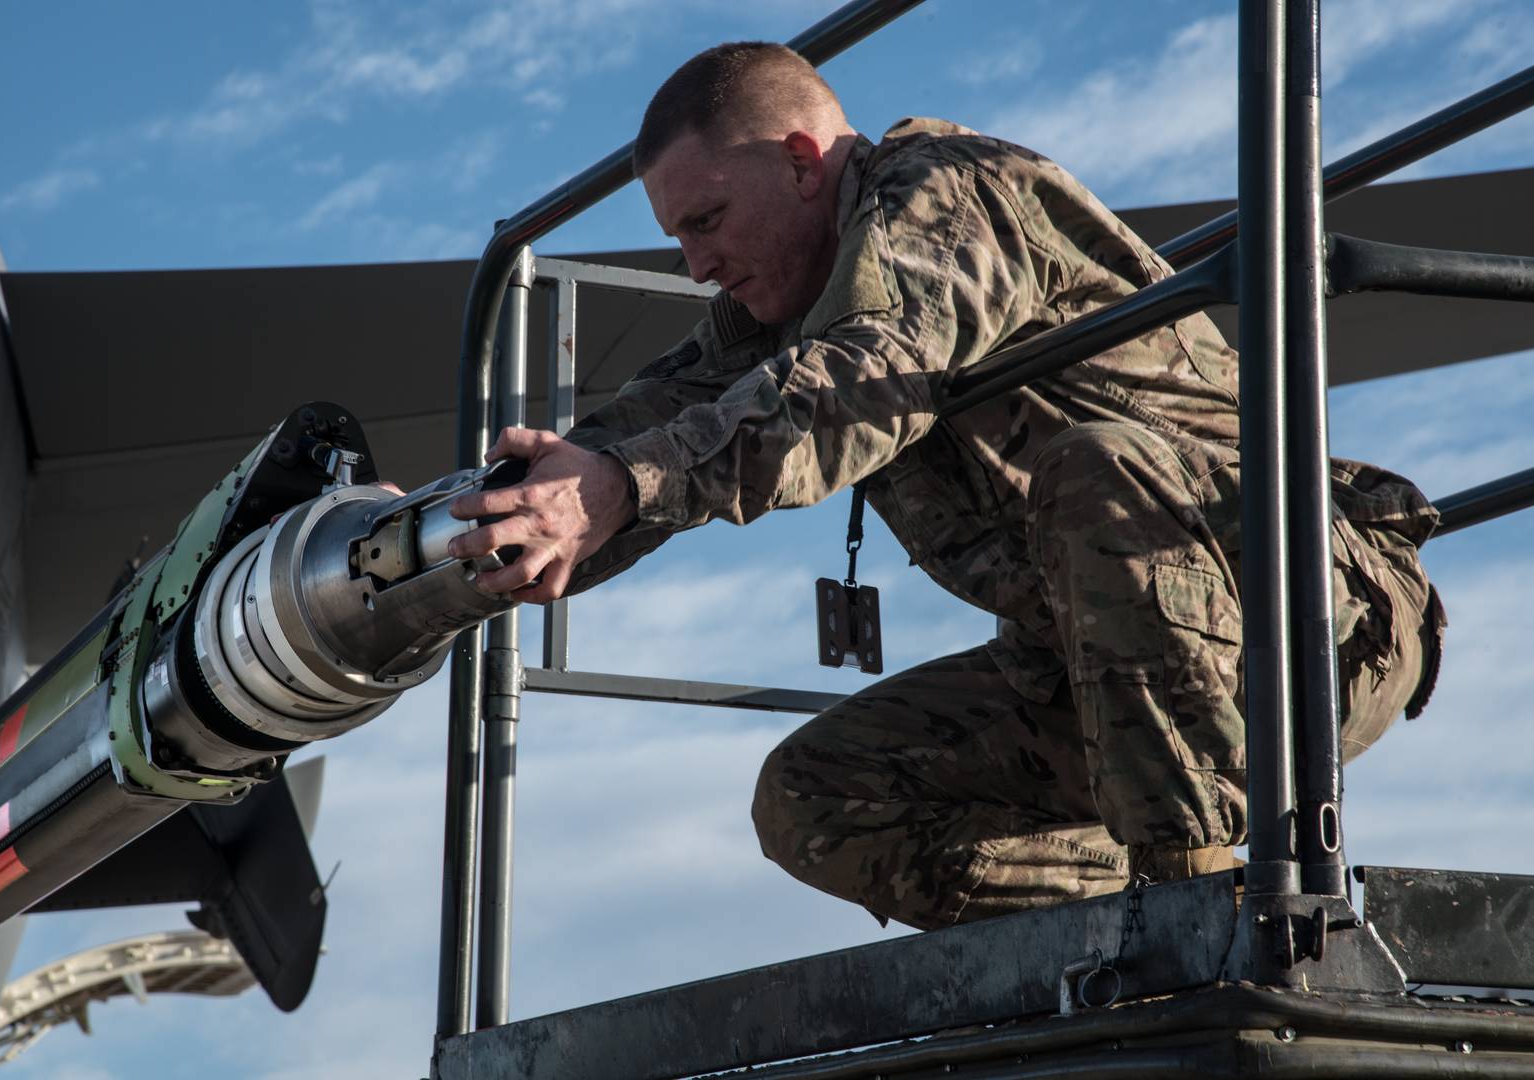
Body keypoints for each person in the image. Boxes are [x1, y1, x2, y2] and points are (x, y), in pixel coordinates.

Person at [446, 42, 1444, 931]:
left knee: (1093, 461)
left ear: (801, 161)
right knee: (816, 796)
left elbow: (863, 379)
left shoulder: (946, 193)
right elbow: (655, 418)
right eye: (679, 239)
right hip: (1101, 676)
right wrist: (465, 534)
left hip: (1299, 613)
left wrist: (626, 482)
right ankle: (1155, 917)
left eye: (706, 220)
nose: (697, 264)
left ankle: (1200, 909)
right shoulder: (788, 300)